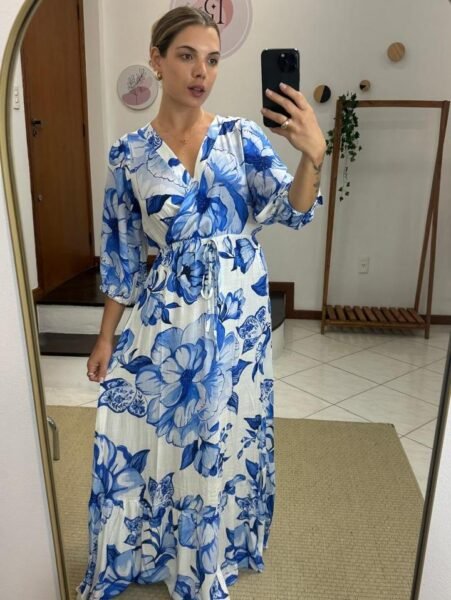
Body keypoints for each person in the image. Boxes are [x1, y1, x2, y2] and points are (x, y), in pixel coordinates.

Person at [76, 5, 325, 600]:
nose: (201, 72)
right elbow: (122, 255)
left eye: (211, 60)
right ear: (157, 60)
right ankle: (151, 546)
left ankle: (210, 555)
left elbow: (293, 209)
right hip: (167, 319)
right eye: (186, 56)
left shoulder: (241, 138)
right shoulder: (129, 155)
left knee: (224, 432)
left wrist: (313, 154)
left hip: (238, 318)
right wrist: (106, 336)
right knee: (146, 430)